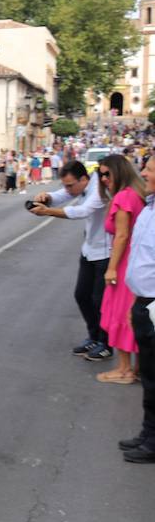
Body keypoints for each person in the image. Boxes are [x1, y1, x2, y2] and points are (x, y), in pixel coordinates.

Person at [30, 160, 113, 361]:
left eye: (70, 184)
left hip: (105, 252)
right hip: (89, 250)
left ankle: (106, 344)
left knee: (99, 300)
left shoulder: (100, 190)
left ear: (83, 179)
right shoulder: (81, 185)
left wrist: (48, 211)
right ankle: (93, 337)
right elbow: (65, 195)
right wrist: (47, 197)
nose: (67, 189)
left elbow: (82, 211)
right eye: (64, 184)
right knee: (82, 295)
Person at [96, 156, 146, 384]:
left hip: (124, 264)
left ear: (120, 172)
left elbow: (122, 236)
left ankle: (124, 369)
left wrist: (111, 269)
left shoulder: (124, 197)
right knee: (132, 316)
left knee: (119, 314)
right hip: (136, 262)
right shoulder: (137, 195)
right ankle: (134, 368)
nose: (104, 179)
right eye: (101, 174)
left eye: (108, 174)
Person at [121, 162, 155, 463]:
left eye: (151, 170)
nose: (143, 174)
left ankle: (153, 442)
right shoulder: (148, 209)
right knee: (148, 374)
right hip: (144, 302)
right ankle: (148, 434)